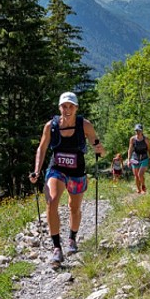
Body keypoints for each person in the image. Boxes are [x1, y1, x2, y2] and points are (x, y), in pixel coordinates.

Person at [30, 92, 104, 266]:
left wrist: (99, 150)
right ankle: (56, 248)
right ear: (59, 108)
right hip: (57, 169)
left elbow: (97, 145)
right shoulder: (51, 126)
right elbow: (42, 148)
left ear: (76, 108)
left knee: (74, 207)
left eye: (71, 106)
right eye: (64, 106)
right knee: (52, 201)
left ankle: (72, 238)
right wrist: (37, 171)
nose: (67, 109)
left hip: (77, 171)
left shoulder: (85, 125)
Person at [126, 123, 150, 194]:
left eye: (139, 130)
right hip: (135, 158)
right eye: (136, 131)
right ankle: (138, 189)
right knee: (136, 176)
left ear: (142, 131)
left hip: (144, 158)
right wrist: (128, 160)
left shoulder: (146, 139)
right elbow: (130, 149)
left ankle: (143, 186)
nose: (138, 132)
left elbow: (149, 149)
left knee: (140, 174)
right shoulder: (132, 139)